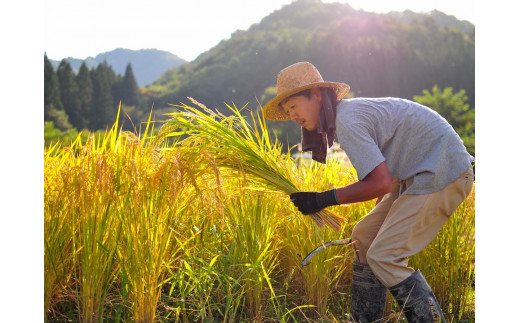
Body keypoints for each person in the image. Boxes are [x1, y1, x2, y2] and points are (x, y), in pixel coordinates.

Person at [262, 62, 474, 323]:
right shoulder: (347, 115)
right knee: (363, 237)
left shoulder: (348, 120)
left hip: (443, 172)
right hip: (416, 175)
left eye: (293, 106)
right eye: (287, 111)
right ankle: (365, 320)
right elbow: (383, 178)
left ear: (316, 94)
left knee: (384, 255)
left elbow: (380, 183)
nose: (292, 116)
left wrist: (321, 199)